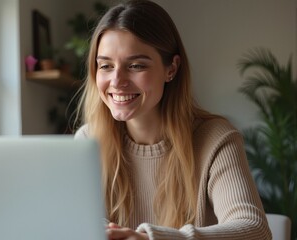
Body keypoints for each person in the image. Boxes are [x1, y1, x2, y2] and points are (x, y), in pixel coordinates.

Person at [73, 0, 272, 239]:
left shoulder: (215, 139)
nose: (116, 81)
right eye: (105, 65)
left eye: (135, 65)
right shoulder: (88, 140)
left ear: (172, 69)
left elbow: (255, 230)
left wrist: (150, 238)